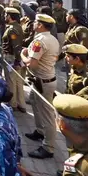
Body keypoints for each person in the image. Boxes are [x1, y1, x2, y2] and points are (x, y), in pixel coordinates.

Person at [22, 14, 60, 159]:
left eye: (36, 22)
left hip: (44, 81)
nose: (33, 23)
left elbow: (31, 64)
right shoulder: (53, 39)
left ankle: (48, 147)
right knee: (35, 103)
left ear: (40, 25)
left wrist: (23, 55)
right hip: (41, 80)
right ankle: (40, 131)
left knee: (47, 114)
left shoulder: (40, 41)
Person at [1, 7, 26, 112]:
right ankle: (21, 104)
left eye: (6, 15)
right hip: (15, 56)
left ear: (10, 16)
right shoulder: (17, 26)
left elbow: (15, 46)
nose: (5, 17)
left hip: (11, 57)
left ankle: (12, 104)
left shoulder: (12, 29)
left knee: (11, 81)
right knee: (18, 81)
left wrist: (16, 60)